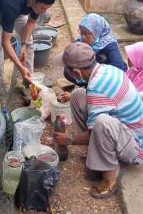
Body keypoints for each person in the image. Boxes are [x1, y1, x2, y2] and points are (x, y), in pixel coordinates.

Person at [54, 42, 143, 198]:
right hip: (125, 129)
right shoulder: (107, 69)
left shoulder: (98, 87)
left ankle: (111, 177)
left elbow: (95, 127)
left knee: (101, 122)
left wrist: (68, 139)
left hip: (135, 145)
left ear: (76, 72)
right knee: (78, 95)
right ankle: (95, 151)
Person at [0, 0, 59, 87]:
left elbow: (31, 22)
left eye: (46, 8)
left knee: (29, 43)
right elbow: (5, 42)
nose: (43, 11)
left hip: (17, 4)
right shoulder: (12, 5)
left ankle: (29, 81)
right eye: (42, 8)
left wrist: (24, 45)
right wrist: (20, 67)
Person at [63, 13, 127, 87]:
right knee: (67, 71)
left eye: (87, 33)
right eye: (81, 32)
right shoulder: (81, 40)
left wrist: (98, 73)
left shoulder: (109, 45)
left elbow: (118, 67)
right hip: (91, 73)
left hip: (106, 76)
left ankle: (95, 87)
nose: (83, 36)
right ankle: (89, 86)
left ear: (97, 32)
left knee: (101, 58)